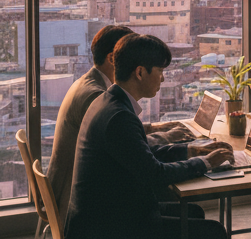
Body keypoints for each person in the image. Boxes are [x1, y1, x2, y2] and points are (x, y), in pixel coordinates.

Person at [64, 34, 234, 239]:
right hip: (105, 234)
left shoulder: (110, 102)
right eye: (161, 71)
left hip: (101, 219)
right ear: (140, 72)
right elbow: (154, 174)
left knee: (193, 214)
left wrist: (190, 152)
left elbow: (140, 156)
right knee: (213, 235)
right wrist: (205, 164)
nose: (163, 78)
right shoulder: (119, 116)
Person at [49, 24, 193, 218]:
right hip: (76, 203)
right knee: (163, 193)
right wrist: (168, 137)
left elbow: (122, 135)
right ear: (113, 58)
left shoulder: (88, 82)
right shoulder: (95, 95)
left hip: (70, 189)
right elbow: (127, 145)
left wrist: (157, 128)